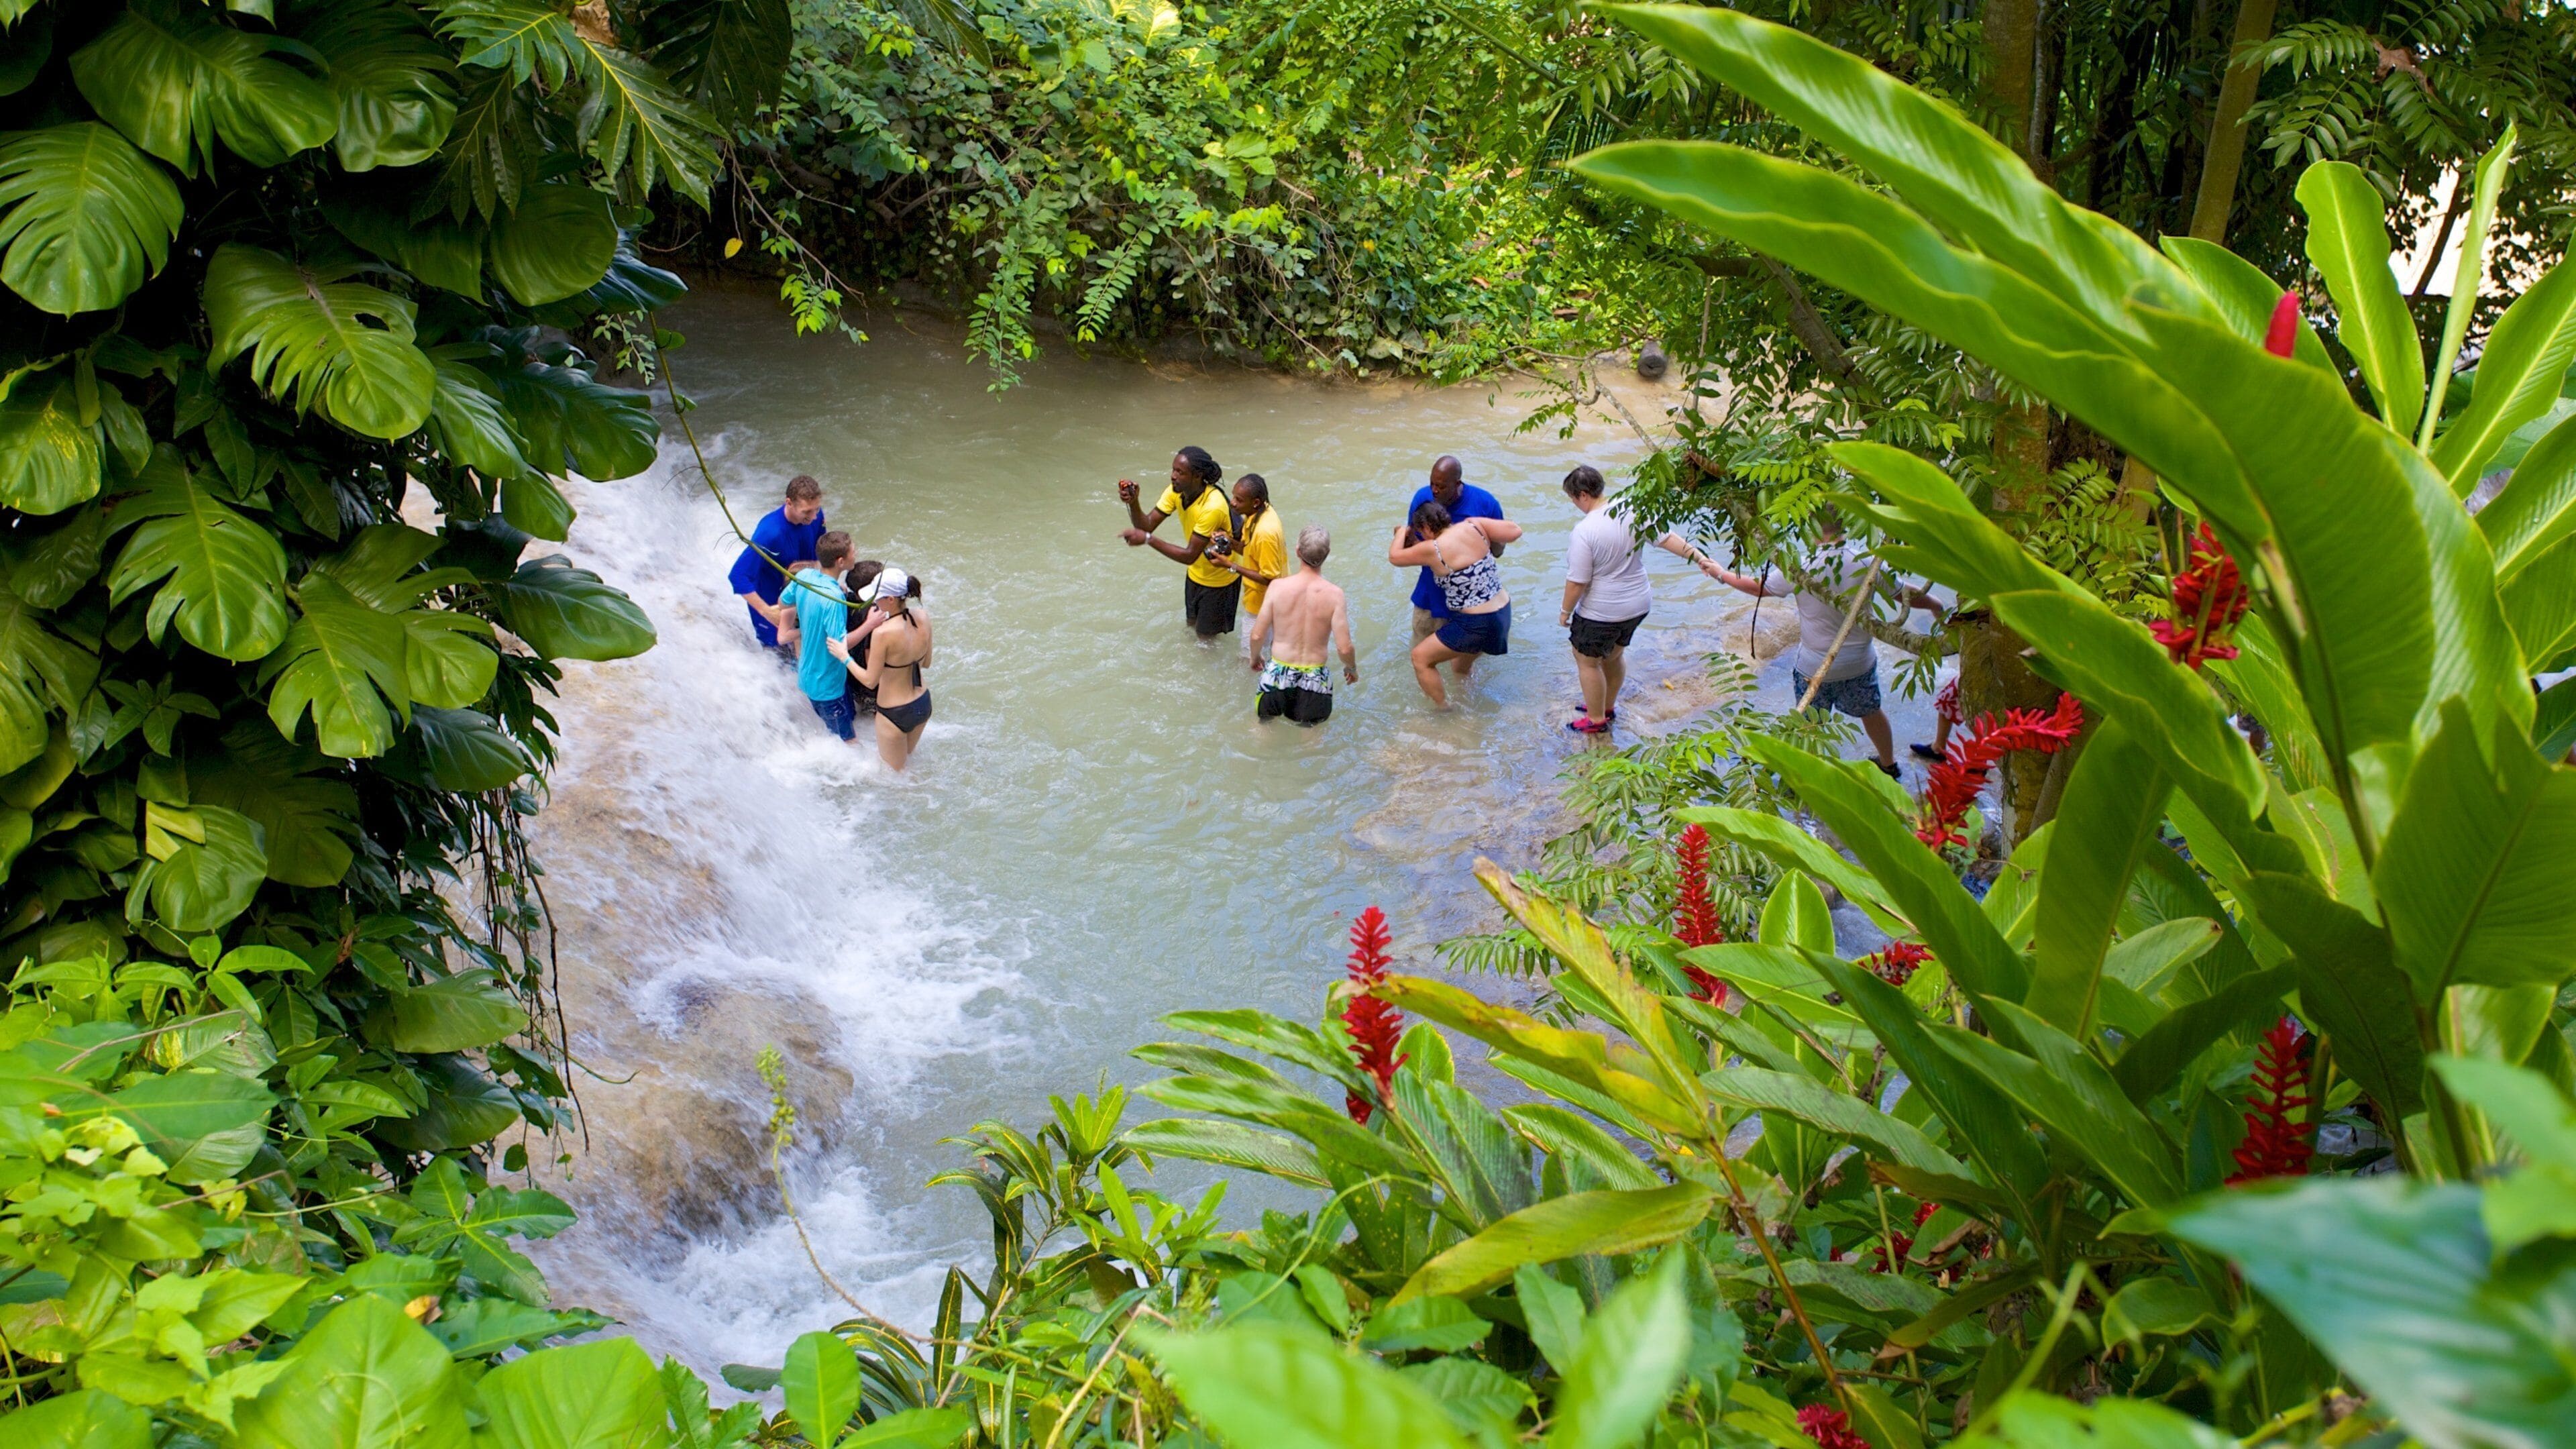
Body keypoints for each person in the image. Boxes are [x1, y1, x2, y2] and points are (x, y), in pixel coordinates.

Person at [1701, 509, 1940, 777]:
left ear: (1810, 527)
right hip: (1859, 664)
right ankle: (1888, 764)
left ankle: (1809, 775)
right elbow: (1903, 594)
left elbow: (1758, 587)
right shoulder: (1868, 563)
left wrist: (1720, 573)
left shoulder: (1800, 566)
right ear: (1847, 523)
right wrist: (1934, 604)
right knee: (1872, 712)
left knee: (1808, 727)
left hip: (1813, 668)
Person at [1556, 464, 1713, 735]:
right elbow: (1667, 538)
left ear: (1582, 495)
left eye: (1573, 499)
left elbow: (1578, 581)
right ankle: (1607, 707)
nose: (1575, 505)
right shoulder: (1631, 508)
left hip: (1602, 611)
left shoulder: (1585, 531)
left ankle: (1595, 721)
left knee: (1587, 661)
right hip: (1638, 603)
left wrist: (1564, 611)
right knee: (1614, 656)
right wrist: (1698, 556)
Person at [1387, 500, 1523, 708]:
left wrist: (1401, 532)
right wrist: (1482, 527)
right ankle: (1469, 702)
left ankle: (1445, 712)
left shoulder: (1434, 549)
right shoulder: (1473, 525)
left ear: (1425, 528)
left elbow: (1395, 557)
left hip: (1477, 622)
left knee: (1420, 659)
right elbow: (1515, 531)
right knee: (1460, 667)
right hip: (1503, 613)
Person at [1118, 446, 1240, 637]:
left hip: (1220, 582)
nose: (1173, 476)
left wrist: (1148, 540)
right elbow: (1147, 525)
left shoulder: (1213, 506)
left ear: (1197, 476)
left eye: (1180, 472)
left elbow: (1189, 555)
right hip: (1195, 574)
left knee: (1205, 639)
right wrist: (1134, 503)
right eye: (1173, 470)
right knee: (1191, 626)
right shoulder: (1176, 491)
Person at [1246, 525, 1357, 725]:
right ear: (1327, 554)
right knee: (1311, 739)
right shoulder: (1335, 595)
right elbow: (1344, 647)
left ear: (1297, 551)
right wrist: (1351, 668)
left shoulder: (1277, 587)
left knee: (1263, 728)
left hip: (1276, 675)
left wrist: (1255, 658)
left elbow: (1257, 635)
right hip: (1315, 680)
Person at [835, 566, 934, 771]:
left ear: (891, 599)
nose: (873, 602)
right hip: (923, 704)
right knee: (909, 765)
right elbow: (926, 663)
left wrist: (844, 656)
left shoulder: (882, 633)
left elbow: (871, 680)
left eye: (877, 598)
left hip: (893, 712)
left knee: (895, 778)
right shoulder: (923, 617)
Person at [1403, 456, 1506, 642]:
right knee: (1420, 655)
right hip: (1430, 597)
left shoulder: (1485, 504)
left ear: (1457, 484)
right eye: (1432, 483)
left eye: (1441, 486)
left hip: (1472, 603)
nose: (1434, 490)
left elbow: (1498, 552)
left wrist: (1481, 534)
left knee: (1464, 666)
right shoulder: (1422, 498)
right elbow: (1409, 545)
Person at [729, 475, 829, 651]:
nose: (813, 517)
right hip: (772, 606)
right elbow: (738, 575)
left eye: (816, 509)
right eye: (807, 512)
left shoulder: (816, 515)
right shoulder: (770, 533)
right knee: (780, 661)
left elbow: (821, 549)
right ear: (789, 503)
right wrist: (768, 612)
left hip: (799, 599)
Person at [787, 531, 861, 743]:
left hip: (813, 676)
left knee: (846, 726)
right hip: (826, 686)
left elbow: (785, 602)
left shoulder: (805, 576)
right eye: (853, 552)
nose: (856, 554)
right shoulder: (834, 598)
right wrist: (870, 625)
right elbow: (839, 646)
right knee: (848, 743)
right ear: (841, 561)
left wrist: (809, 625)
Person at [1212, 473, 1287, 621]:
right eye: (1233, 497)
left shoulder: (1265, 533)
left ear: (1255, 502)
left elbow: (1269, 578)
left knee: (1251, 645)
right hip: (1265, 601)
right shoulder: (1261, 512)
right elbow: (1250, 550)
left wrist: (1229, 565)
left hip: (1265, 606)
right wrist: (1230, 542)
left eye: (1239, 500)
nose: (1232, 503)